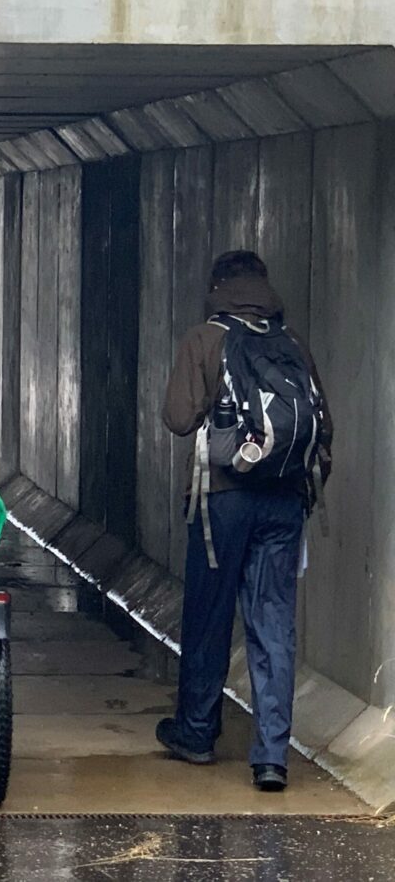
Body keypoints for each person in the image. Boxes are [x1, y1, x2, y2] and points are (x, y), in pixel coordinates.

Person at [155, 250, 332, 793]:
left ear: (217, 286)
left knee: (209, 615)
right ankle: (272, 757)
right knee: (274, 622)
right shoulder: (292, 343)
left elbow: (179, 419)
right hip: (284, 501)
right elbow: (322, 425)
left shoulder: (205, 338)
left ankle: (197, 733)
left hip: (223, 500)